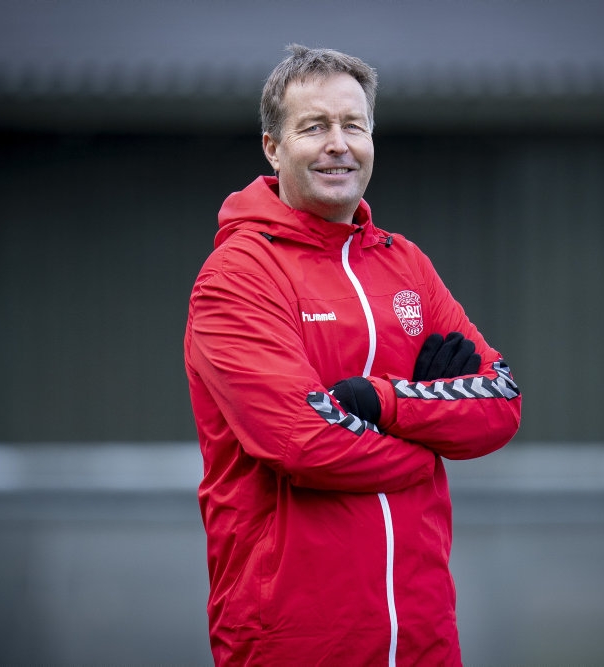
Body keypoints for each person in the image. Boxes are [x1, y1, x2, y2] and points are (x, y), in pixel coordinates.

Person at [184, 44, 522, 666]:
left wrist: (385, 403)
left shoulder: (406, 264)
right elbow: (304, 442)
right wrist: (430, 442)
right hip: (295, 643)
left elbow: (501, 402)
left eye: (353, 126)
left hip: (423, 638)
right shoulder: (237, 275)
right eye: (314, 127)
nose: (338, 145)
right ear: (272, 147)